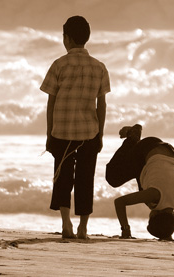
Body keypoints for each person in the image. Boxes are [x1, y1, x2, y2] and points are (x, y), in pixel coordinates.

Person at [40, 15, 110, 239]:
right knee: (85, 178)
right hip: (89, 131)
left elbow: (51, 101)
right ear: (86, 38)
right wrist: (100, 134)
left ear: (67, 38)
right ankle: (83, 227)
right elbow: (102, 104)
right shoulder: (99, 67)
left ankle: (66, 224)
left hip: (61, 132)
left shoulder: (59, 64)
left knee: (62, 177)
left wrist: (49, 133)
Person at [106, 124, 174, 240]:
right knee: (113, 178)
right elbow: (119, 202)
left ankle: (134, 140)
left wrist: (167, 232)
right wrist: (125, 229)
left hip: (171, 153)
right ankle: (132, 138)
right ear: (155, 215)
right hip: (147, 148)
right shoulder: (154, 194)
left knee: (146, 187)